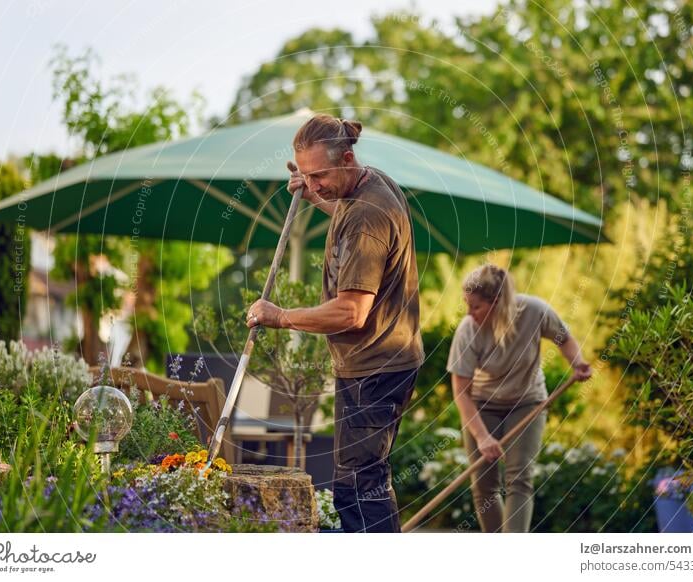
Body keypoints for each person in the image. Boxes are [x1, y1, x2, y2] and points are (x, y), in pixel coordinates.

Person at [245, 113, 425, 532]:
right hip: (382, 360)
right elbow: (348, 218)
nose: (311, 184)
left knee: (359, 489)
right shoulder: (366, 182)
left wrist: (280, 316)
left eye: (319, 175)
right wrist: (315, 199)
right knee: (364, 482)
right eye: (305, 176)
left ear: (346, 158)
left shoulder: (369, 215)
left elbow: (351, 312)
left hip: (376, 367)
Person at [446, 263, 592, 533]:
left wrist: (578, 362)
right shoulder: (468, 331)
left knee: (519, 479)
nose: (469, 313)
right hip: (482, 405)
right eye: (467, 305)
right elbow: (461, 393)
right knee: (484, 484)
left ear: (497, 302)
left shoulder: (534, 311)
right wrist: (482, 436)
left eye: (476, 306)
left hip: (527, 402)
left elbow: (564, 338)